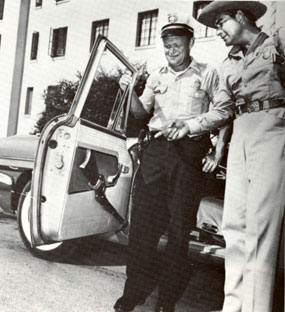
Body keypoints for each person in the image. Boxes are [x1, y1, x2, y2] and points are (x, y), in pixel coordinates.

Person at [167, 2, 285, 312]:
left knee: (261, 232)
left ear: (242, 16)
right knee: (233, 228)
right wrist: (189, 124)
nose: (217, 30)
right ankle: (231, 307)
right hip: (241, 135)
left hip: (273, 132)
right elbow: (221, 110)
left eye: (221, 22)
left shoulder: (277, 44)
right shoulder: (228, 64)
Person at [113, 14, 233, 312]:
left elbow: (224, 111)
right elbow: (141, 115)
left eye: (177, 44)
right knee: (142, 228)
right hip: (156, 153)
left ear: (190, 43)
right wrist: (127, 91)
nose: (171, 50)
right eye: (167, 45)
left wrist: (217, 151)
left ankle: (167, 301)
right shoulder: (157, 76)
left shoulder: (208, 74)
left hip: (189, 156)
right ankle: (133, 293)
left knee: (179, 233)